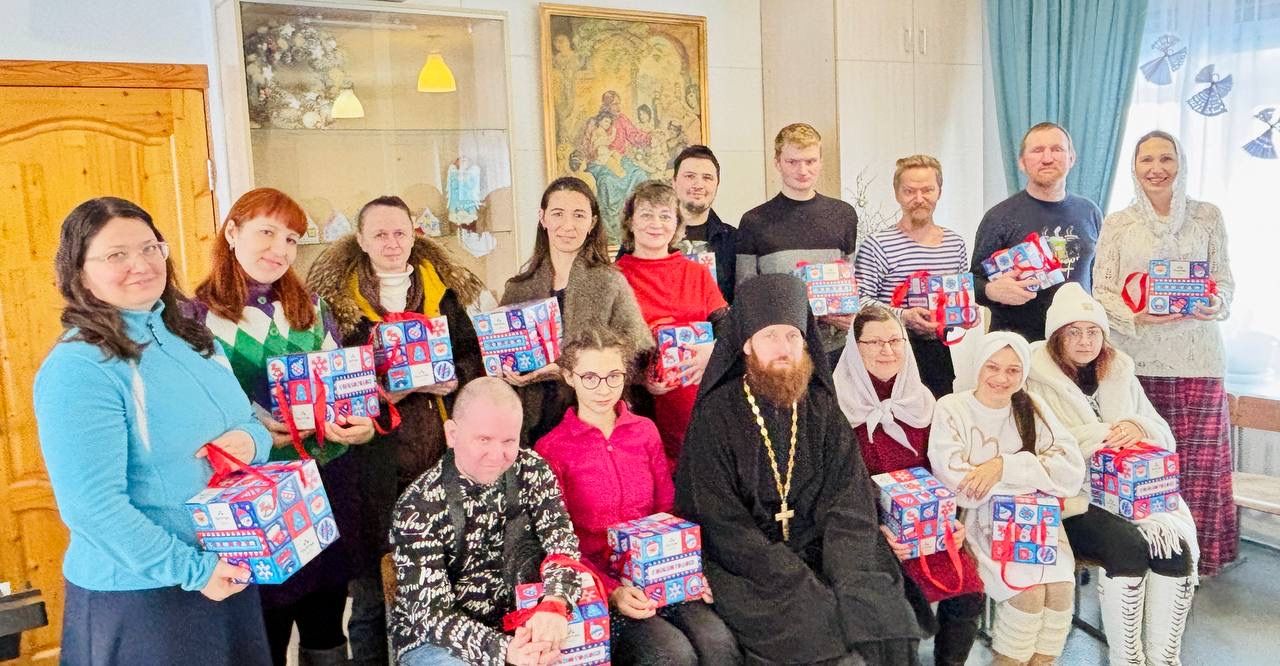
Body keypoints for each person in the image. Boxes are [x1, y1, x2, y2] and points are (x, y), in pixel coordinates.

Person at [34, 197, 272, 664]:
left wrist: (252, 440)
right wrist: (194, 570)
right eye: (116, 255)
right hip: (147, 596)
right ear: (79, 273)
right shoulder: (79, 368)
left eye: (150, 248)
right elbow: (94, 509)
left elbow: (249, 423)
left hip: (224, 568)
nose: (140, 264)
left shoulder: (191, 338)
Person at [676, 274, 922, 665]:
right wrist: (786, 570)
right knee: (814, 625)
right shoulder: (716, 415)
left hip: (823, 544)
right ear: (746, 344)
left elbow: (848, 496)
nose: (783, 348)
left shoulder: (820, 407)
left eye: (792, 336)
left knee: (881, 614)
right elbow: (719, 519)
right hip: (750, 565)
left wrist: (847, 568)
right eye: (770, 336)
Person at [189, 187, 376, 665]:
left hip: (325, 483)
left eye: (291, 239)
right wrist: (249, 432)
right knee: (263, 629)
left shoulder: (311, 308)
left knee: (326, 622)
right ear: (233, 232)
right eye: (267, 233)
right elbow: (190, 417)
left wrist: (362, 427)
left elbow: (346, 391)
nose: (280, 249)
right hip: (253, 495)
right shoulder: (192, 319)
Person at [306, 195, 490, 665]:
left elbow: (474, 357)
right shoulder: (337, 306)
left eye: (400, 233)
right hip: (369, 469)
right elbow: (333, 382)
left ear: (414, 235)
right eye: (380, 234)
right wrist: (392, 389)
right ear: (361, 240)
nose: (391, 243)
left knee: (448, 583)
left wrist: (454, 377)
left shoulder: (444, 293)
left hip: (440, 461)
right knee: (371, 596)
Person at [535, 329, 740, 665]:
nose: (603, 389)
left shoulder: (644, 431)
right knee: (673, 654)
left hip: (662, 574)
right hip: (602, 588)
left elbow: (668, 511)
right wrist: (612, 591)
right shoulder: (552, 448)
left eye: (613, 376)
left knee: (719, 644)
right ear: (569, 376)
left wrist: (691, 569)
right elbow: (560, 542)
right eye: (590, 377)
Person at [1026, 283, 1197, 664]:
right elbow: (1041, 445)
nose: (1085, 341)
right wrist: (1102, 435)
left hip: (1132, 491)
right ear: (1056, 337)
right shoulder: (1034, 377)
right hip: (1072, 496)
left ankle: (1163, 658)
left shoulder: (1119, 371)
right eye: (1073, 332)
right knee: (1128, 547)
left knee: (1173, 547)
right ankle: (1127, 658)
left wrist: (1138, 426)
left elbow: (1160, 431)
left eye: (1093, 332)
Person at [1093, 130, 1236, 577]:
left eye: (1166, 159)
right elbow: (1102, 289)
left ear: (1180, 163)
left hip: (1198, 361)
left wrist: (1214, 302)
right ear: (1134, 167)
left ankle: (1198, 560)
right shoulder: (1118, 223)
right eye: (1147, 160)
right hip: (1137, 361)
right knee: (1141, 461)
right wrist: (1136, 318)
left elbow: (1225, 282)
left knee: (1197, 466)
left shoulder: (1207, 216)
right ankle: (1146, 555)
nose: (1156, 168)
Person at [389, 377, 584, 666]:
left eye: (509, 441)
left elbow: (562, 543)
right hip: (438, 643)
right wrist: (505, 651)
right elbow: (431, 615)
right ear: (452, 434)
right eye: (483, 440)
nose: (496, 455)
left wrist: (556, 601)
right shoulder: (418, 506)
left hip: (522, 622)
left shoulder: (533, 470)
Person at [833, 306, 985, 666]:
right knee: (901, 611)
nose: (887, 350)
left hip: (926, 526)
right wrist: (877, 530)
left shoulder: (924, 401)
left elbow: (942, 471)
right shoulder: (835, 405)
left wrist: (951, 519)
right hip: (865, 531)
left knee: (969, 591)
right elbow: (834, 488)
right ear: (855, 348)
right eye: (874, 342)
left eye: (895, 340)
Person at [928, 332, 1085, 666]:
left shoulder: (1032, 406)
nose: (1001, 378)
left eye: (1013, 370)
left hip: (1038, 524)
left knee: (1060, 591)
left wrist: (1003, 467)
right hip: (981, 523)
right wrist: (1033, 475)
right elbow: (958, 481)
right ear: (978, 366)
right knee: (1028, 595)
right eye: (993, 367)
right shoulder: (952, 407)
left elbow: (1071, 470)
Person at [500, 177, 652, 444]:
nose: (568, 225)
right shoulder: (517, 288)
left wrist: (570, 369)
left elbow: (638, 351)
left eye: (579, 215)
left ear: (592, 222)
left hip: (594, 421)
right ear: (543, 218)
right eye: (558, 213)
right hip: (532, 423)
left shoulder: (610, 282)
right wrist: (506, 369)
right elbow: (499, 355)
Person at [615, 181, 728, 469]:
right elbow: (603, 346)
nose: (656, 224)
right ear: (630, 222)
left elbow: (728, 329)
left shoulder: (697, 273)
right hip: (640, 409)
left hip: (700, 407)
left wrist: (712, 351)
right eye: (646, 214)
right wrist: (640, 378)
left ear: (677, 223)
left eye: (665, 215)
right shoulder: (613, 278)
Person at [736, 123, 859, 368]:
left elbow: (850, 278)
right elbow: (746, 293)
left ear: (821, 161)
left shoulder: (844, 215)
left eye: (810, 161)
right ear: (777, 162)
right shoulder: (753, 221)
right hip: (779, 352)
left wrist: (849, 314)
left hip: (835, 350)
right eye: (792, 162)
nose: (802, 170)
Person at [971, 122, 1103, 341]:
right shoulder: (998, 217)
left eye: (1057, 149)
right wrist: (991, 291)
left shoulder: (1090, 212)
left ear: (1072, 158)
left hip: (1077, 345)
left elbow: (1099, 278)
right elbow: (973, 281)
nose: (1047, 158)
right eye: (1037, 150)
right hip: (1016, 345)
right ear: (1022, 162)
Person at [853, 154, 970, 397]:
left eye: (927, 190)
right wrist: (904, 317)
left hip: (937, 356)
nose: (919, 199)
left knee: (938, 417)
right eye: (909, 191)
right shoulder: (877, 245)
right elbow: (859, 302)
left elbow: (958, 299)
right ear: (897, 193)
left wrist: (965, 315)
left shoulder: (955, 244)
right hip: (887, 355)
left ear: (939, 191)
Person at [672, 145, 737, 302]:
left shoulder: (735, 240)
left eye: (707, 178)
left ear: (717, 184)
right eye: (690, 176)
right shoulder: (647, 236)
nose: (698, 185)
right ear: (673, 182)